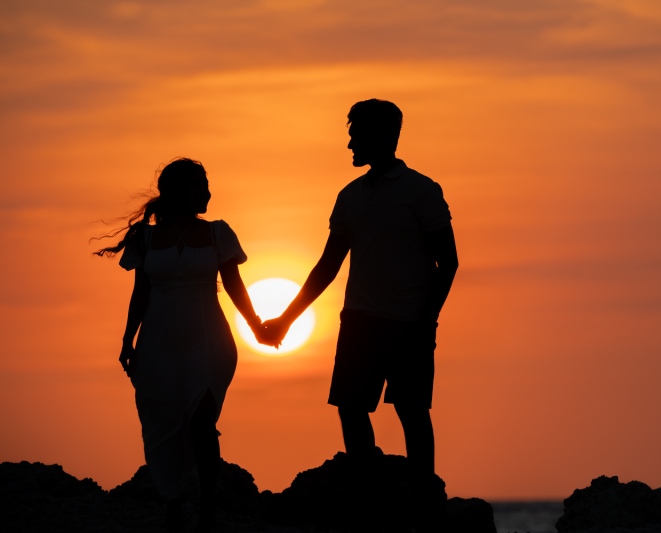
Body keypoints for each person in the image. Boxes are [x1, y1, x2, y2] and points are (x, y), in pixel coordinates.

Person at [263, 99, 458, 487]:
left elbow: (448, 262)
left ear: (384, 136)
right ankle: (366, 494)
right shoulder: (349, 196)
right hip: (359, 322)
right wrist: (286, 318)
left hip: (410, 323)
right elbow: (328, 266)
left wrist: (426, 320)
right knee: (351, 407)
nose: (350, 144)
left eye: (356, 135)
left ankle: (424, 500)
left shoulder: (421, 191)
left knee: (412, 410)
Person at [94, 158, 267, 531]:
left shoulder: (219, 233)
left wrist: (255, 326)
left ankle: (207, 508)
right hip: (160, 339)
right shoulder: (147, 239)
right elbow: (141, 291)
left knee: (202, 420)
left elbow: (235, 285)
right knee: (163, 421)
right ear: (181, 191)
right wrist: (127, 339)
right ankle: (172, 500)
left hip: (209, 338)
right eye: (201, 184)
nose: (207, 192)